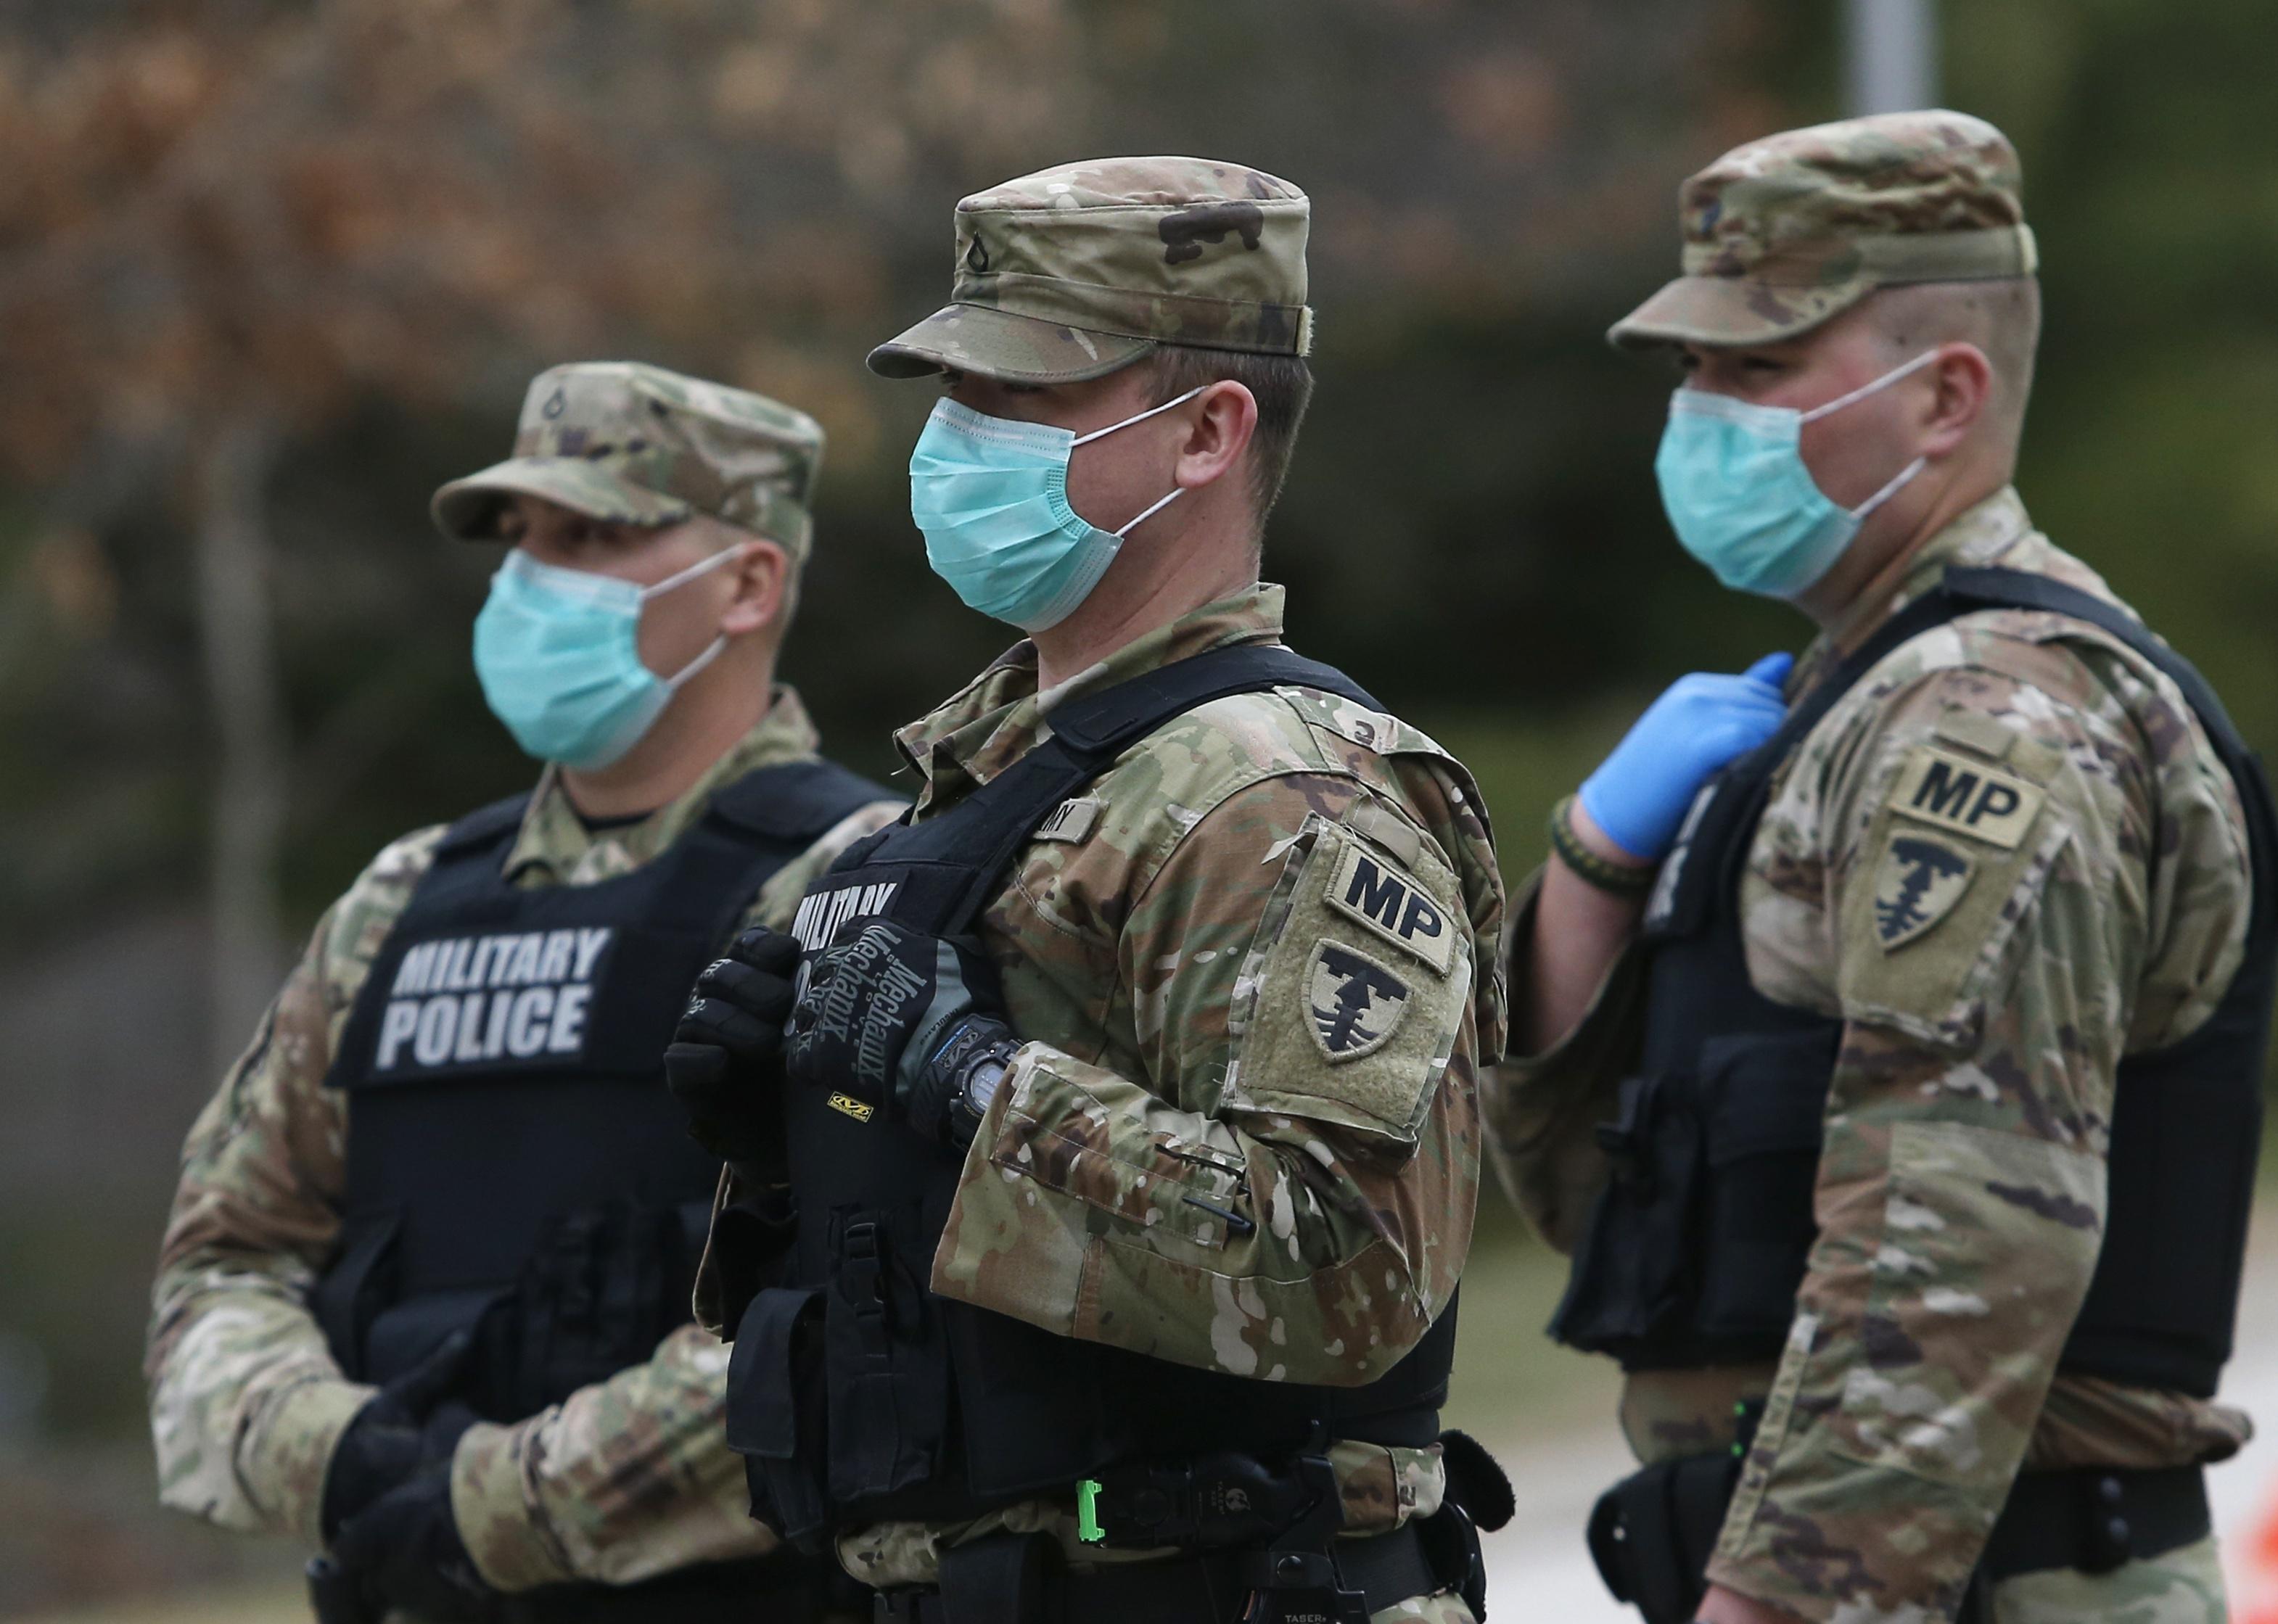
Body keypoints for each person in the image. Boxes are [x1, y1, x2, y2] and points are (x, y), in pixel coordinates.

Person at [666, 157, 1513, 1624]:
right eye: (952, 397)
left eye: (1017, 401)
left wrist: (966, 1082)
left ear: (1203, 431)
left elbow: (1348, 1271)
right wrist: (801, 1143)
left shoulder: (1276, 790)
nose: (954, 443)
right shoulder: (976, 792)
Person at [1484, 110, 2275, 1624]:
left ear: (1944, 398)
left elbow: (1952, 1242)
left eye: (1758, 370)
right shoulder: (1829, 707)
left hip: (1981, 1586)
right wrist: (1591, 862)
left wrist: (1775, 1606)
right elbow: (1623, 1218)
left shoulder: (1991, 719)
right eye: (1693, 371)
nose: (1703, 413)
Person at [146, 362, 904, 1622]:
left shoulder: (859, 882)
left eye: (594, 534)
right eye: (522, 538)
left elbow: (860, 1321)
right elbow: (222, 1260)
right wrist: (340, 1459)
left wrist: (484, 1506)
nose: (530, 580)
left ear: (749, 582)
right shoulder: (400, 901)